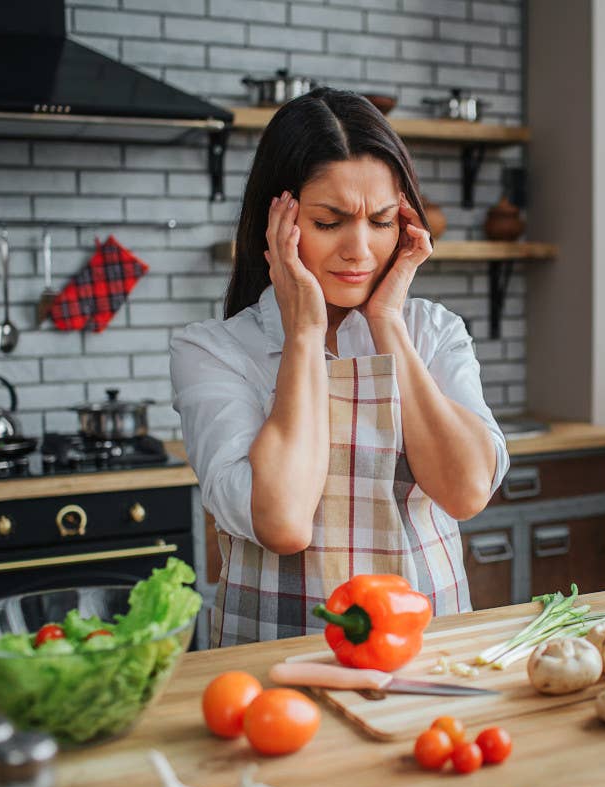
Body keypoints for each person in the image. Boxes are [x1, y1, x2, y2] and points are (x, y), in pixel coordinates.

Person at [170, 88, 510, 646]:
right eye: (329, 222)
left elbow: (465, 490)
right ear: (276, 225)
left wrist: (388, 323)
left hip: (426, 649)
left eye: (381, 221)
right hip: (277, 662)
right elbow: (282, 523)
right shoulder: (213, 352)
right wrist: (303, 330)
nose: (361, 250)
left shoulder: (431, 331)